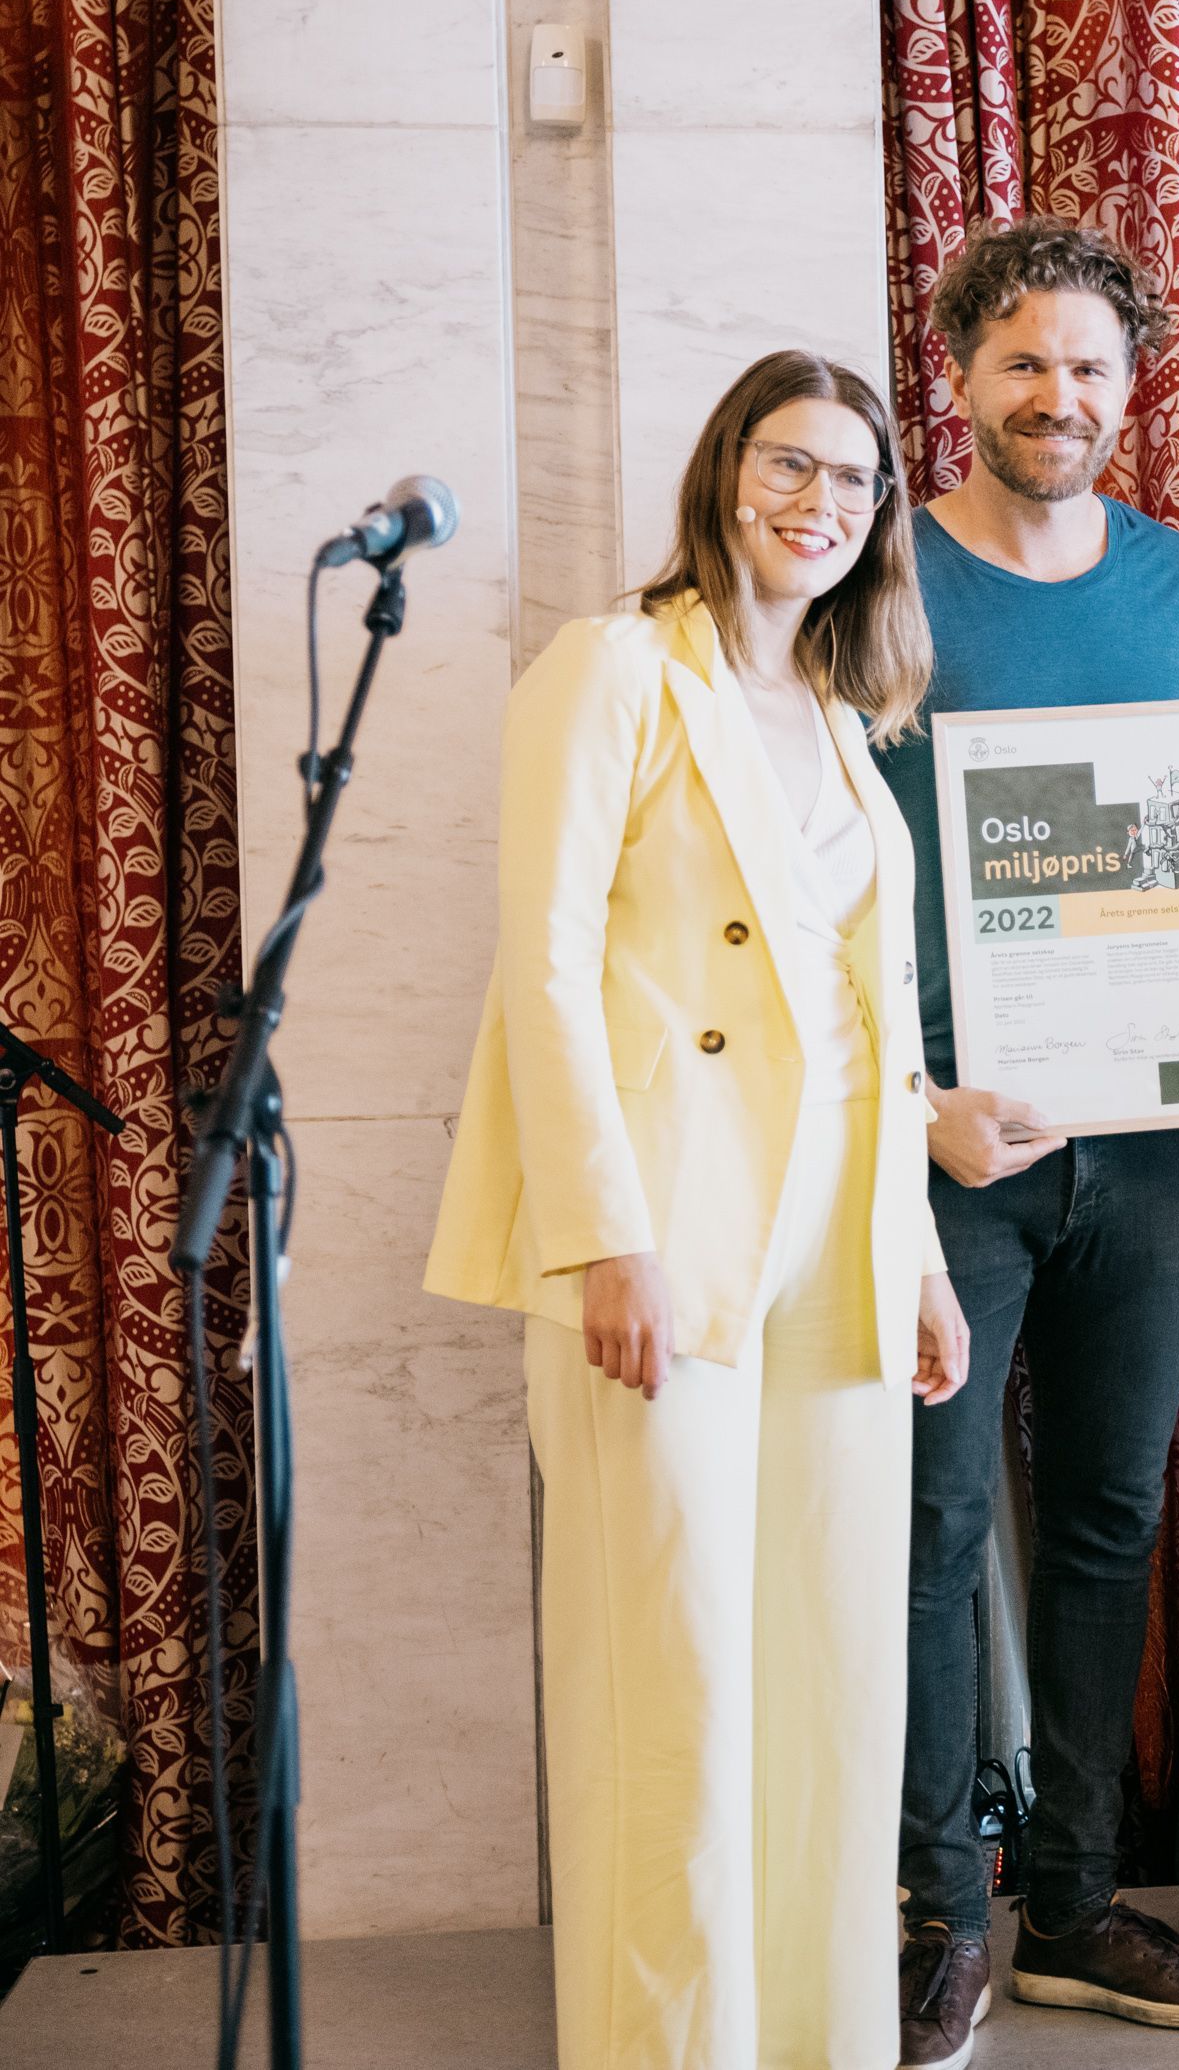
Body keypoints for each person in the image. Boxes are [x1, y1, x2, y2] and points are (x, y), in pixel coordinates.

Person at [424, 351, 972, 2070]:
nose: (822, 504)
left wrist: (925, 1264)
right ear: (726, 470)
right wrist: (602, 1230)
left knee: (824, 1684)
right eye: (792, 465)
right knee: (672, 1686)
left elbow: (874, 1018)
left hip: (839, 1245)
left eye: (856, 482)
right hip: (666, 1234)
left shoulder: (837, 708)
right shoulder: (613, 669)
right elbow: (549, 968)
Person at [879, 219, 1179, 2064]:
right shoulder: (881, 575)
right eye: (1026, 363)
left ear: (1135, 394)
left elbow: (1171, 823)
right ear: (958, 372)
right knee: (938, 1521)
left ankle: (1067, 1901)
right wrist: (911, 1110)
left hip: (1136, 1140)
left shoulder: (1172, 577)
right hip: (953, 1137)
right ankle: (933, 1911)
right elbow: (823, 863)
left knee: (1116, 1516)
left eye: (1094, 371)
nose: (1061, 399)